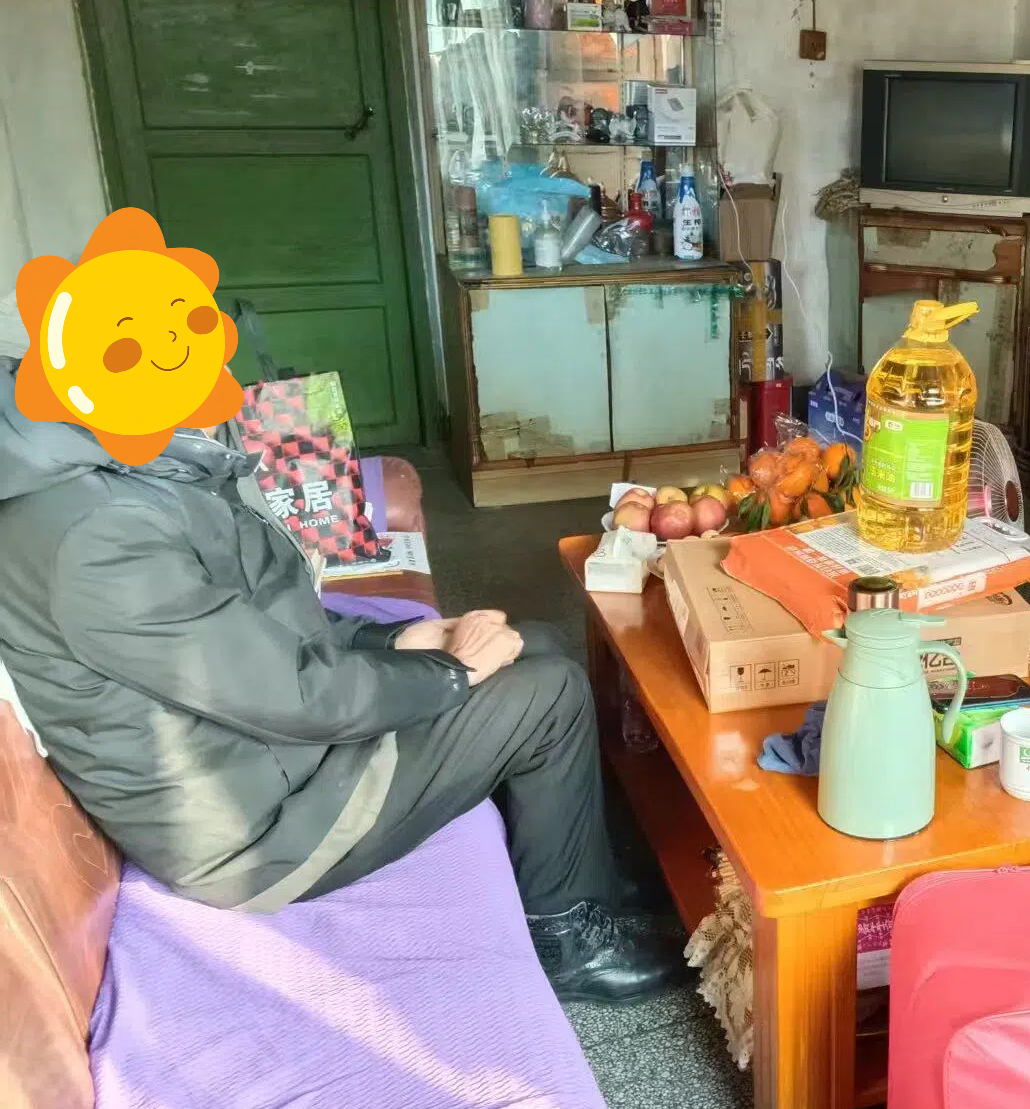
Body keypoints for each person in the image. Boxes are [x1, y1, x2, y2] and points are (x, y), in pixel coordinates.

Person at [0, 359, 681, 1003]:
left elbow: (258, 621)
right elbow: (294, 696)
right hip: (264, 828)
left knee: (535, 641)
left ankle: (584, 871)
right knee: (547, 693)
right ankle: (570, 942)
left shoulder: (127, 468)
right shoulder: (96, 536)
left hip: (273, 759)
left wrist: (398, 639)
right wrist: (451, 671)